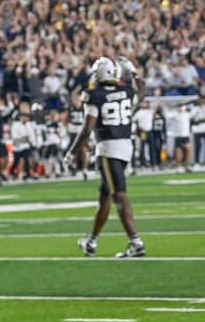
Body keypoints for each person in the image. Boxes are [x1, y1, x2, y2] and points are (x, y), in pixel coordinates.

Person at [63, 56, 146, 258]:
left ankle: (135, 242)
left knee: (119, 195)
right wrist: (133, 71)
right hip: (126, 147)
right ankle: (90, 241)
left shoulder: (94, 95)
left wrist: (72, 152)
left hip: (108, 149)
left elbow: (87, 128)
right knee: (105, 197)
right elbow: (142, 92)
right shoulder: (126, 91)